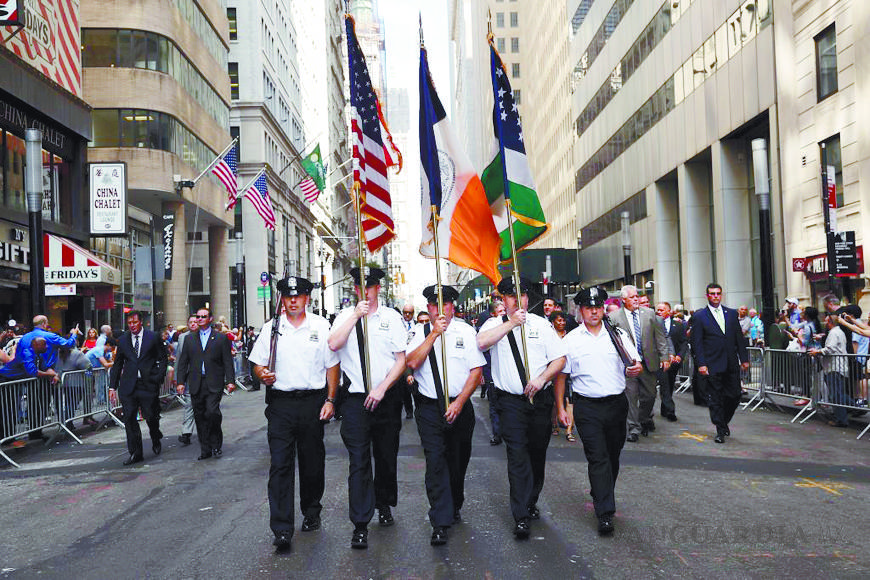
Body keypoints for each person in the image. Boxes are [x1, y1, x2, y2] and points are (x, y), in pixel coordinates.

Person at [248, 276, 340, 553]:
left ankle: (311, 510)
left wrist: (331, 399)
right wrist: (261, 374)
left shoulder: (322, 327)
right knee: (280, 465)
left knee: (313, 463)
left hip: (312, 402)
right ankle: (282, 528)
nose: (292, 301)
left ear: (307, 299)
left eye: (298, 296)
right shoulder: (272, 328)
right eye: (288, 297)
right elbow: (257, 364)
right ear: (283, 300)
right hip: (281, 405)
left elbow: (332, 366)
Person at [477, 277, 566, 539]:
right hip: (510, 402)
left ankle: (531, 498)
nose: (518, 301)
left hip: (540, 400)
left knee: (537, 453)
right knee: (516, 456)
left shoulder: (541, 324)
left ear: (528, 298)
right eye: (511, 296)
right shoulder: (495, 324)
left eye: (522, 296)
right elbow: (481, 343)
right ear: (502, 300)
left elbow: (559, 359)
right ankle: (521, 515)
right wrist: (510, 323)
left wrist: (541, 379)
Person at [328, 266, 407, 550]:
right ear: (356, 290)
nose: (366, 292)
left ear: (378, 289)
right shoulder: (344, 317)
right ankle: (360, 523)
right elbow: (333, 343)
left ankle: (384, 501)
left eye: (370, 286)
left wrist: (382, 387)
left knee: (385, 456)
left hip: (386, 396)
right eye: (361, 287)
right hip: (355, 399)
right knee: (358, 460)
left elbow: (401, 359)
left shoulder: (392, 318)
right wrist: (354, 317)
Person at [554, 286, 641, 536]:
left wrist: (636, 370)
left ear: (603, 309)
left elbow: (636, 364)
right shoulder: (571, 340)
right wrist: (561, 408)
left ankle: (601, 491)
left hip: (615, 404)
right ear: (580, 311)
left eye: (598, 307)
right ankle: (605, 512)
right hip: (587, 406)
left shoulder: (617, 335)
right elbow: (562, 376)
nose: (594, 312)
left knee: (612, 456)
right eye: (589, 308)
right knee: (598, 457)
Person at [405, 285, 484, 546]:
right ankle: (440, 519)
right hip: (429, 407)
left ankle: (454, 501)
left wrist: (460, 403)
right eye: (436, 305)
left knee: (457, 461)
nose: (442, 310)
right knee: (435, 461)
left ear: (453, 307)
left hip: (460, 406)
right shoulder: (419, 332)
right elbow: (413, 363)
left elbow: (476, 372)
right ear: (429, 308)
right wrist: (433, 335)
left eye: (447, 304)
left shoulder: (466, 331)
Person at [689, 284, 749, 443]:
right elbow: (697, 342)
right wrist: (701, 363)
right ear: (707, 296)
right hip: (711, 363)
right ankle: (720, 429)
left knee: (735, 395)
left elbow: (738, 338)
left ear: (721, 295)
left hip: (730, 362)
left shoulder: (731, 314)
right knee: (715, 397)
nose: (715, 296)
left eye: (718, 293)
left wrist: (744, 359)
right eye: (712, 294)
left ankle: (723, 421)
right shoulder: (700, 316)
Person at [608, 285, 669, 442]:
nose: (636, 299)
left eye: (637, 296)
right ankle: (633, 428)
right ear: (624, 300)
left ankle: (642, 419)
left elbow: (660, 337)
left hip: (648, 363)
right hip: (628, 365)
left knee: (650, 396)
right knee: (631, 397)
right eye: (632, 297)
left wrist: (664, 357)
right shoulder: (614, 317)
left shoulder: (649, 314)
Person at [109, 310, 168, 465]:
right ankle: (136, 452)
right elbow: (117, 364)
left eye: (135, 322)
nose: (132, 326)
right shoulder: (122, 341)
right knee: (129, 419)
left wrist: (159, 377)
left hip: (148, 384)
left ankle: (156, 437)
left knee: (151, 417)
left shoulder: (153, 337)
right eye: (129, 323)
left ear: (141, 322)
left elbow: (163, 358)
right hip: (128, 386)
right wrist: (112, 387)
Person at [176, 307, 235, 461]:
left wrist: (230, 381)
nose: (200, 319)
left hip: (214, 382)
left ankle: (216, 444)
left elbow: (227, 361)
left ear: (210, 319)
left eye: (204, 316)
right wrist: (180, 382)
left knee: (212, 412)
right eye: (198, 316)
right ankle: (205, 449)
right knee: (200, 416)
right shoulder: (189, 339)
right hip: (196, 383)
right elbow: (183, 362)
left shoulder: (220, 338)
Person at [655, 302, 687, 422]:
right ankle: (670, 411)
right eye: (658, 310)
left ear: (669, 312)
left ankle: (665, 407)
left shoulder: (678, 325)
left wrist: (679, 356)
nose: (659, 312)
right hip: (660, 360)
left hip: (674, 361)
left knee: (669, 384)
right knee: (664, 384)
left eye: (662, 310)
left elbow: (684, 342)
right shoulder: (654, 323)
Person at [549, 311, 576, 442]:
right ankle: (554, 423)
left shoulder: (571, 337)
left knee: (570, 401)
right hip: (554, 373)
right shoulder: (550, 336)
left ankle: (569, 430)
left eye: (563, 320)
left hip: (569, 373)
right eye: (558, 321)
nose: (561, 323)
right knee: (556, 400)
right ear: (553, 322)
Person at [174, 316, 198, 445]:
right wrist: (179, 380)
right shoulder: (183, 337)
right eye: (191, 322)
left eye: (195, 322)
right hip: (189, 376)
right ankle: (186, 432)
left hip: (204, 377)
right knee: (189, 404)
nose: (193, 324)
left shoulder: (206, 336)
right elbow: (180, 359)